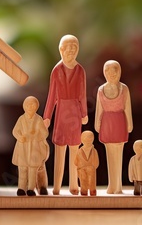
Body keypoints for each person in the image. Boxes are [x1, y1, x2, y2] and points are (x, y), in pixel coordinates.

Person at [43, 35, 88, 195]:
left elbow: (82, 94)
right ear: (60, 50)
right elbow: (52, 94)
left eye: (73, 48)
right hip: (61, 111)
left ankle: (73, 184)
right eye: (67, 48)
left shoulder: (80, 70)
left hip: (75, 111)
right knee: (60, 150)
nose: (70, 51)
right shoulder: (56, 70)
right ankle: (56, 185)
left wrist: (84, 113)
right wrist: (47, 116)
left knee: (75, 150)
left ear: (77, 50)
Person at [95, 60, 133, 194]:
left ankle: (118, 186)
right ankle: (112, 185)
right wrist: (97, 123)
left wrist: (130, 124)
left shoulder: (124, 89)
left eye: (114, 70)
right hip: (106, 123)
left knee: (119, 154)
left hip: (120, 122)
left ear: (120, 72)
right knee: (109, 154)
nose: (111, 74)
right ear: (104, 73)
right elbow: (99, 109)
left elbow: (128, 108)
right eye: (108, 71)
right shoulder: (101, 90)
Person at [12, 96, 49, 196]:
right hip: (23, 148)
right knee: (23, 169)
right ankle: (21, 188)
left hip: (34, 149)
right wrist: (20, 137)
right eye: (28, 105)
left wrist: (37, 136)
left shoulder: (39, 119)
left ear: (37, 106)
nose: (30, 107)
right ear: (24, 106)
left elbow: (45, 133)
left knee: (33, 170)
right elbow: (15, 131)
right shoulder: (21, 119)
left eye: (32, 105)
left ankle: (31, 189)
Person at [73, 131, 99, 196]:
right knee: (83, 182)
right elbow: (76, 162)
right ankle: (84, 191)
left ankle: (92, 191)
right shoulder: (79, 151)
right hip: (82, 170)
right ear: (81, 139)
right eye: (85, 138)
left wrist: (92, 167)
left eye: (89, 138)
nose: (87, 139)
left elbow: (96, 162)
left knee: (92, 182)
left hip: (91, 169)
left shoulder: (94, 151)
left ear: (93, 139)